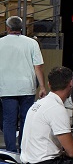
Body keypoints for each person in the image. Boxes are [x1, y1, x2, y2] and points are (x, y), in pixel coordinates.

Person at [0, 16, 45, 151]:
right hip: (27, 88)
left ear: (7, 28)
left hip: (6, 88)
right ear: (22, 28)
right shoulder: (32, 43)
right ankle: (24, 149)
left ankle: (10, 152)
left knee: (9, 121)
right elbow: (38, 66)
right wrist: (42, 87)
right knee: (26, 120)